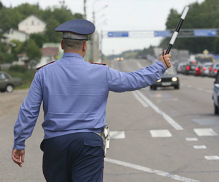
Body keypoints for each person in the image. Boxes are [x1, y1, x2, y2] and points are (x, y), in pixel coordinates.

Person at [12, 19, 171, 182]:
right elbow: (133, 80)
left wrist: (19, 142)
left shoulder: (43, 74)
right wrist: (159, 66)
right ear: (84, 46)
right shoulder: (101, 72)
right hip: (88, 145)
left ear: (62, 45)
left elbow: (29, 111)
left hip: (55, 146)